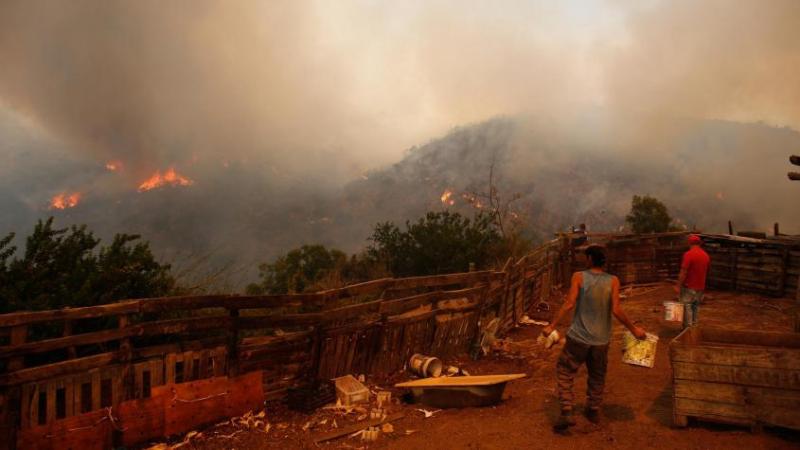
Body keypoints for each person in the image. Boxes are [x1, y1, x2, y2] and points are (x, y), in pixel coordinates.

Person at [542, 245, 647, 431]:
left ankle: (567, 411)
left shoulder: (579, 277)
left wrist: (552, 326)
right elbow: (616, 310)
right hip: (601, 340)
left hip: (578, 338)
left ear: (590, 259)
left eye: (586, 257)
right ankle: (593, 409)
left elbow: (569, 303)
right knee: (597, 375)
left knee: (565, 370)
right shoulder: (613, 281)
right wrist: (634, 330)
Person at [674, 234, 710, 329]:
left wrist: (678, 285)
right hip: (700, 287)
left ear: (689, 243)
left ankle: (688, 330)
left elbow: (683, 272)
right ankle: (694, 328)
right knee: (696, 307)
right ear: (699, 243)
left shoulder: (688, 255)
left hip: (688, 286)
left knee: (687, 308)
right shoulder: (705, 256)